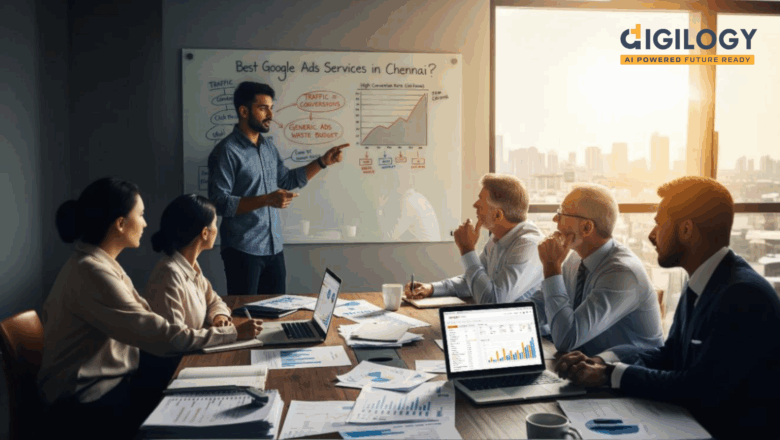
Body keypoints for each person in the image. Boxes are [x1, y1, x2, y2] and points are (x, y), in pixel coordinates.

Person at [554, 177, 780, 439]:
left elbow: (698, 387)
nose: (652, 235)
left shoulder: (742, 295)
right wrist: (603, 362)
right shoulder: (702, 280)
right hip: (693, 422)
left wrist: (611, 375)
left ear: (685, 230)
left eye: (659, 224)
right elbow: (671, 355)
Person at [38, 178, 263, 440]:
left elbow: (161, 328)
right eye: (141, 215)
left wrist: (223, 322)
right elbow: (161, 336)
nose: (145, 223)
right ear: (120, 224)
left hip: (111, 389)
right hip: (88, 404)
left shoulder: (99, 264)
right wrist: (233, 334)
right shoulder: (92, 272)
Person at [208, 81, 349, 295]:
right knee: (245, 315)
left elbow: (288, 179)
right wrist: (266, 200)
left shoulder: (267, 147)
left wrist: (322, 162)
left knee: (276, 311)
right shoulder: (227, 151)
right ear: (244, 111)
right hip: (242, 250)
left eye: (271, 108)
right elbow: (219, 203)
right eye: (263, 108)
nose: (270, 115)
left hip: (274, 248)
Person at [527, 184, 663, 355]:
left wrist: (551, 268)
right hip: (585, 367)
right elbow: (538, 305)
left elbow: (566, 340)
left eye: (561, 213)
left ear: (586, 228)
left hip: (624, 375)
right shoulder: (576, 258)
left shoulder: (621, 273)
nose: (555, 219)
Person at [404, 173, 544, 304]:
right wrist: (431, 288)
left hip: (527, 328)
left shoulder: (528, 245)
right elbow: (473, 282)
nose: (475, 205)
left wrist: (467, 249)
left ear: (497, 215)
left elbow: (493, 301)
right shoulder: (497, 238)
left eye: (481, 202)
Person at [145, 194, 240, 336]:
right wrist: (231, 333)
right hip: (179, 357)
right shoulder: (170, 274)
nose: (216, 229)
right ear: (205, 233)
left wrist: (219, 317)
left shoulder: (191, 266)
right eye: (214, 223)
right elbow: (175, 338)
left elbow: (213, 301)